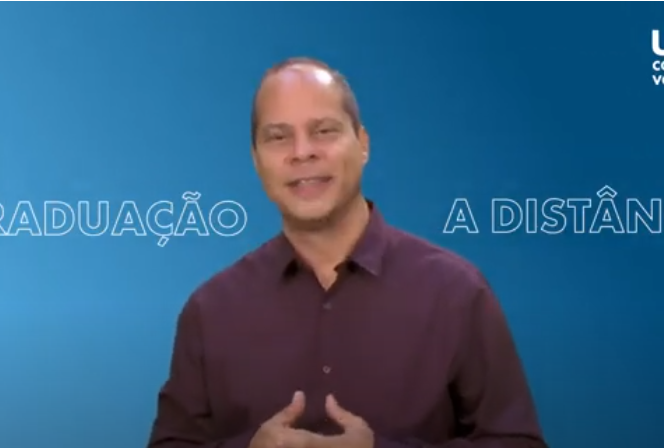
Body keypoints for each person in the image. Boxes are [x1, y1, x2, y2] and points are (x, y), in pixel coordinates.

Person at [146, 57, 548, 448]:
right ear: (256, 160)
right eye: (278, 137)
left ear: (363, 144)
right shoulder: (210, 311)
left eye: (323, 131)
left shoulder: (455, 292)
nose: (302, 152)